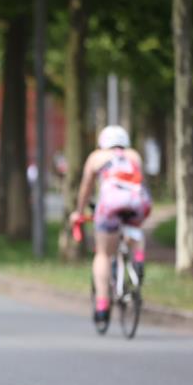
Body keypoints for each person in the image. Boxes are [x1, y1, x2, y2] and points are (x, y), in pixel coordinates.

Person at [69, 125, 152, 324]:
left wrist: (79, 213)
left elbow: (86, 188)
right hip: (138, 202)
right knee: (135, 229)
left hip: (110, 204)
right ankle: (138, 259)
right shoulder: (134, 156)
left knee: (104, 254)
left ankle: (102, 305)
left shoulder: (97, 157)